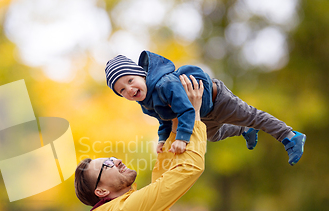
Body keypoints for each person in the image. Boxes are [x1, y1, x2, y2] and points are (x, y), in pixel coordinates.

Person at [76, 75, 206, 211]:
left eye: (110, 157)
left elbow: (162, 181)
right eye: (107, 164)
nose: (117, 160)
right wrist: (195, 116)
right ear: (101, 192)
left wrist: (174, 125)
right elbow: (189, 169)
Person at [105, 51, 306, 166]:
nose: (129, 89)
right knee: (212, 136)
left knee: (252, 116)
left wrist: (182, 139)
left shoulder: (164, 84)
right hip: (202, 113)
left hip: (217, 100)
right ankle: (244, 130)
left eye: (130, 80)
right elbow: (164, 119)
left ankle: (289, 135)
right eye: (122, 90)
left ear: (141, 74)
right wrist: (162, 139)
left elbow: (185, 111)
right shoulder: (145, 103)